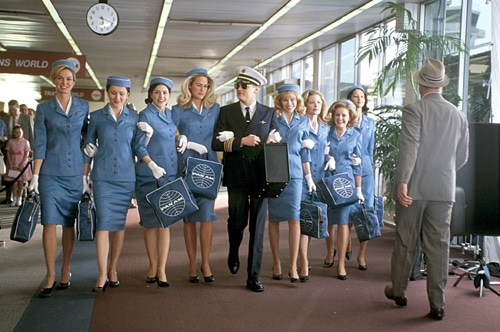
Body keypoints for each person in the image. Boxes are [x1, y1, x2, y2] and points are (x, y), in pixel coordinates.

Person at [384, 59, 469, 320]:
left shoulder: (414, 109)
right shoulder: (458, 114)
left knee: (406, 241)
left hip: (414, 189)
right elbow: (462, 156)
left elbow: (410, 148)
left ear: (420, 84)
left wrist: (402, 182)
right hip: (444, 190)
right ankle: (438, 304)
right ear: (441, 85)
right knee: (439, 246)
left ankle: (399, 291)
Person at [212, 66, 279, 292]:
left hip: (261, 177)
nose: (239, 89)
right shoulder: (227, 111)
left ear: (256, 89)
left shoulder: (268, 113)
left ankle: (253, 276)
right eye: (237, 86)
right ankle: (233, 250)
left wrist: (274, 140)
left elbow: (276, 137)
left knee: (257, 228)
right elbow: (216, 143)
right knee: (237, 222)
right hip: (237, 176)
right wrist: (241, 141)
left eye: (244, 86)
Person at [29, 59, 90, 297]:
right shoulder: (43, 109)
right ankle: (50, 274)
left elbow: (87, 139)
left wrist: (87, 166)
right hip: (50, 173)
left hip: (74, 171)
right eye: (60, 78)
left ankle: (65, 269)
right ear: (53, 81)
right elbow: (40, 143)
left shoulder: (83, 107)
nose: (64, 82)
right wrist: (35, 175)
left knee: (68, 223)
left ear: (74, 83)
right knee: (49, 223)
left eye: (69, 79)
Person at [84, 76, 146, 292]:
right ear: (107, 93)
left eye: (122, 93)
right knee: (103, 223)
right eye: (113, 93)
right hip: (102, 177)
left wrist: (148, 136)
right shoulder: (96, 117)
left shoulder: (135, 118)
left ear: (128, 94)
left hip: (125, 178)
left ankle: (113, 269)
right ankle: (101, 274)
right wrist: (85, 176)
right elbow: (89, 147)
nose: (117, 97)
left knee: (118, 226)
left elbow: (138, 148)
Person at [171, 68, 220, 283]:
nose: (202, 89)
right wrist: (181, 139)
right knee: (189, 216)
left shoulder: (215, 109)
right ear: (190, 85)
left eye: (206, 85)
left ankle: (206, 262)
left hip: (209, 168)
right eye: (199, 85)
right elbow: (169, 132)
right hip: (186, 166)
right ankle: (192, 264)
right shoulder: (177, 110)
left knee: (207, 216)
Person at [135, 77, 178, 288]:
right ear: (151, 94)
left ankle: (162, 269)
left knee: (165, 223)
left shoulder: (170, 114)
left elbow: (172, 138)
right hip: (149, 175)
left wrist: (182, 140)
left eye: (165, 92)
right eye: (157, 92)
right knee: (150, 223)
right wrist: (151, 164)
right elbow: (139, 146)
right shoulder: (146, 115)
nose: (161, 96)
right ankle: (152, 265)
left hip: (169, 174)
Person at [267, 84, 309, 283]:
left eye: (293, 100)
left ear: (298, 101)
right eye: (285, 100)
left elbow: (306, 152)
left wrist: (308, 176)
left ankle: (293, 266)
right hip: (275, 173)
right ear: (280, 101)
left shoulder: (304, 122)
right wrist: (269, 139)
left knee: (294, 219)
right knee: (274, 219)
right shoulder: (273, 119)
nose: (289, 103)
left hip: (296, 175)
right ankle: (276, 262)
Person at [325, 99, 363, 280]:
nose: (340, 118)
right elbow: (319, 153)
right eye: (337, 115)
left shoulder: (355, 135)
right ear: (333, 116)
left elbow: (358, 164)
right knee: (329, 221)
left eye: (344, 115)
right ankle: (329, 252)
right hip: (328, 180)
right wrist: (326, 157)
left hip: (346, 183)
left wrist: (359, 188)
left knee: (342, 221)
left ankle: (340, 263)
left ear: (349, 118)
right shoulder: (326, 133)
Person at [298, 90, 332, 277]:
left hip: (320, 178)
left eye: (318, 102)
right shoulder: (301, 124)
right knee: (303, 219)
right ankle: (303, 262)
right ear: (306, 105)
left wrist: (330, 157)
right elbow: (303, 153)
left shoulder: (325, 127)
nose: (315, 105)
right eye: (311, 102)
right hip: (305, 179)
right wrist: (308, 176)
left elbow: (326, 148)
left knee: (312, 219)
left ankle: (305, 257)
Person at [346, 85, 375, 270]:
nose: (359, 99)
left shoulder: (370, 122)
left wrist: (368, 167)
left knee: (366, 211)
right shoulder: (345, 119)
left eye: (362, 96)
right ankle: (346, 242)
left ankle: (361, 255)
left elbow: (371, 148)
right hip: (347, 167)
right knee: (347, 209)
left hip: (365, 169)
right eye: (355, 96)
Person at [4, 125, 32, 206]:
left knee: (21, 182)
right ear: (13, 133)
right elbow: (8, 152)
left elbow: (26, 153)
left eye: (20, 132)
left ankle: (20, 198)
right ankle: (14, 198)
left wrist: (22, 163)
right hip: (13, 163)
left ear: (22, 132)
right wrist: (9, 162)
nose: (18, 134)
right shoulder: (10, 141)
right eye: (16, 132)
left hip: (22, 164)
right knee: (14, 182)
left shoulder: (25, 142)